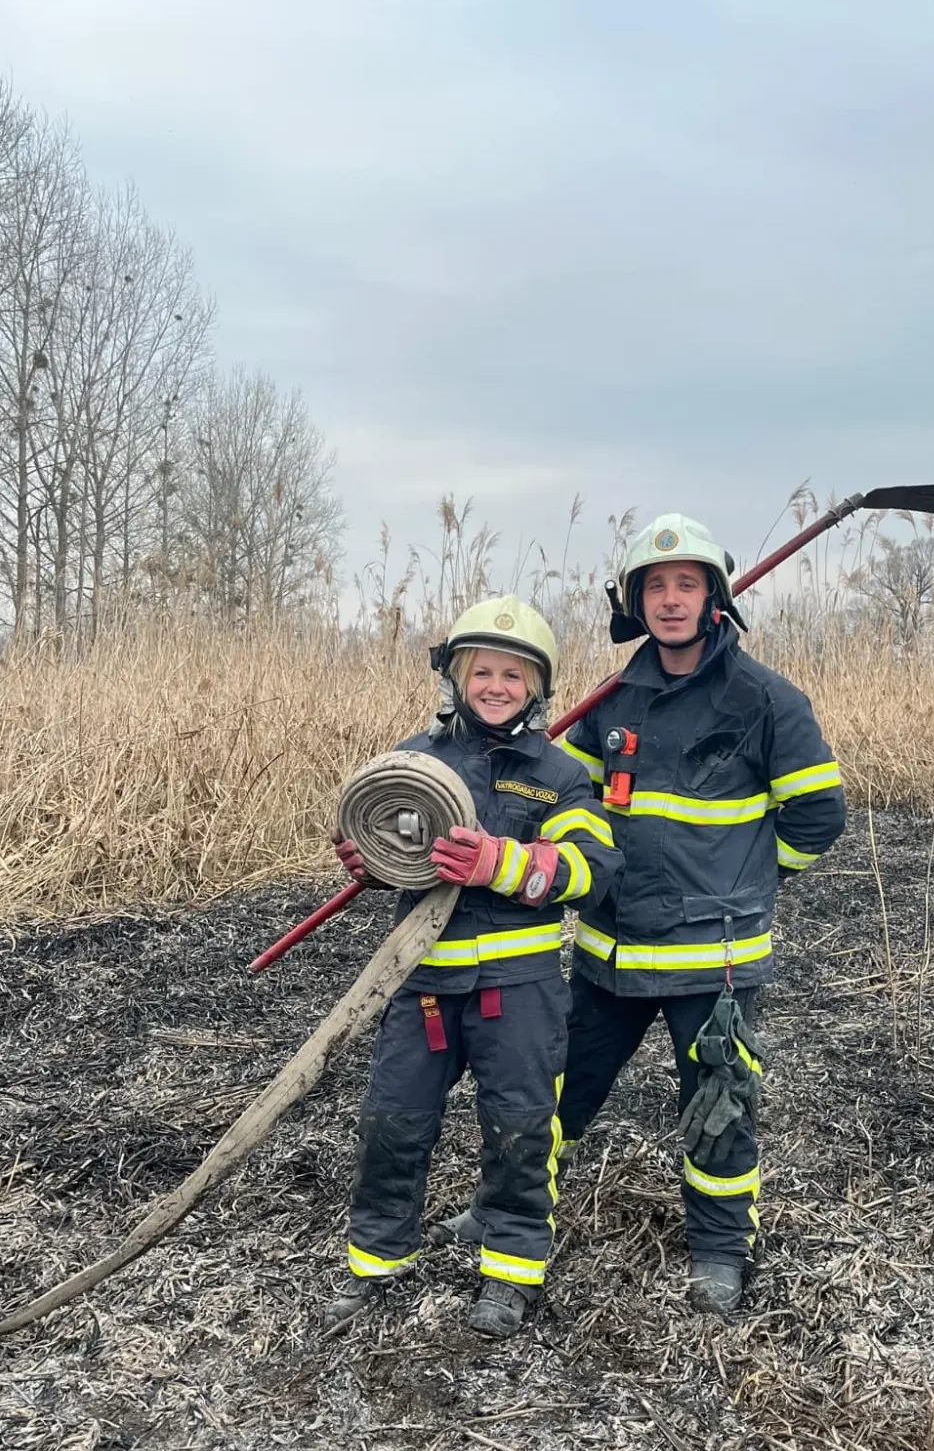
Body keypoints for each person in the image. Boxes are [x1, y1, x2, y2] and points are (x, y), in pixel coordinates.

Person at [440, 517, 846, 1315]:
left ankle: (721, 1256)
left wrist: (750, 881)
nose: (669, 600)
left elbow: (817, 818)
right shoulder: (607, 701)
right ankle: (504, 1211)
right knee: (552, 1096)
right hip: (608, 952)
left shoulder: (766, 701)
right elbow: (569, 805)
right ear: (634, 602)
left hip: (714, 962)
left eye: (685, 584)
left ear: (714, 596)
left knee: (719, 1109)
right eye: (654, 586)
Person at [324, 598, 620, 1339]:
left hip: (517, 996)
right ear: (457, 678)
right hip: (421, 988)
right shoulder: (415, 760)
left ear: (537, 686)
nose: (496, 685)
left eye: (512, 674)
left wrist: (503, 862)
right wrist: (371, 862)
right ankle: (375, 1267)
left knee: (520, 1131)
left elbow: (593, 869)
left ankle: (510, 1276)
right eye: (482, 670)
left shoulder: (559, 775)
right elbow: (392, 842)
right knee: (393, 1123)